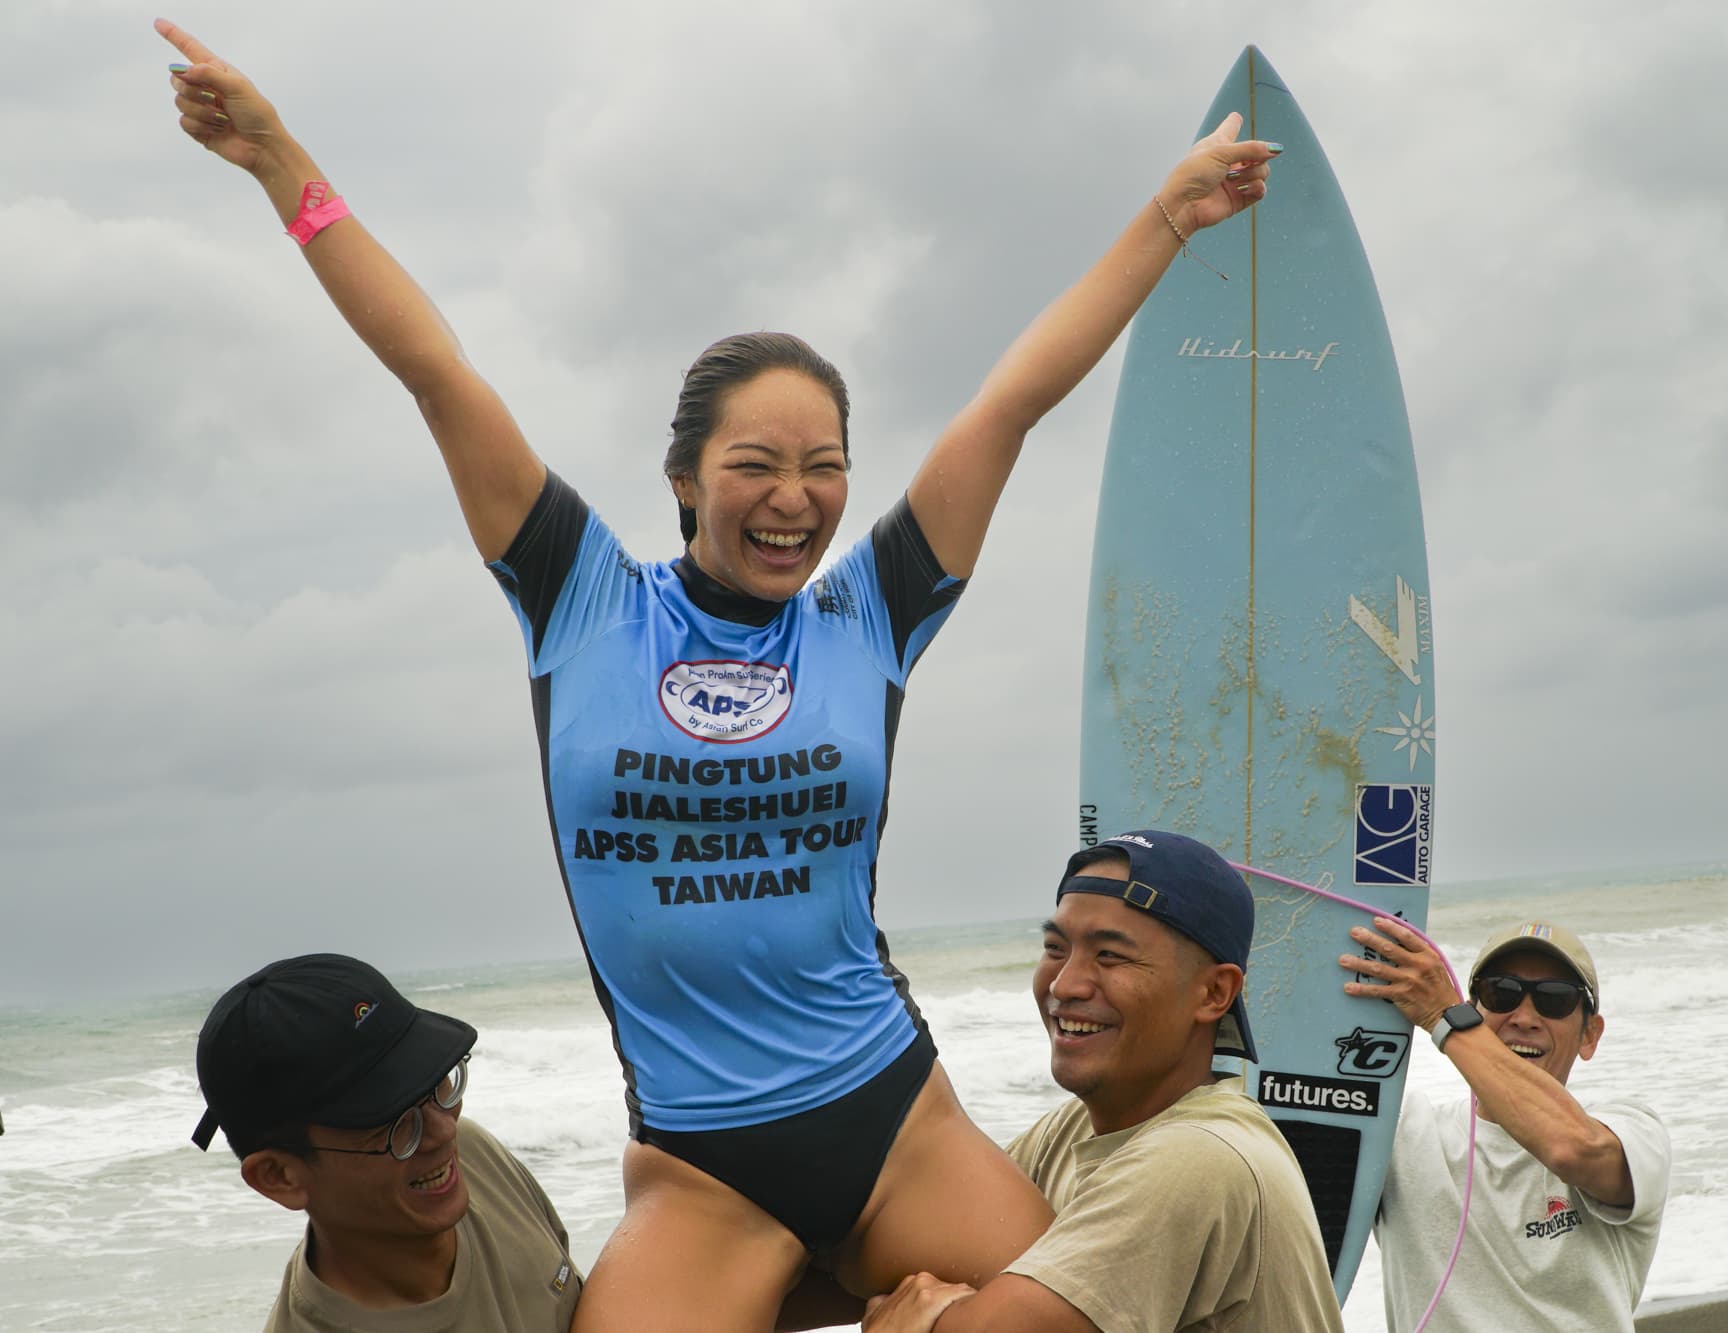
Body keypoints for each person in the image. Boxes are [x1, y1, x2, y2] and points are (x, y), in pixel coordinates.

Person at [155, 20, 1281, 1331]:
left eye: (826, 465)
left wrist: (1167, 215)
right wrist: (279, 162)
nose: (796, 499)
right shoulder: (581, 600)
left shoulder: (871, 613)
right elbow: (431, 366)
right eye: (757, 463)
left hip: (893, 1116)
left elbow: (1011, 402)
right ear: (686, 476)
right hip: (703, 1164)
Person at [862, 831, 1343, 1332]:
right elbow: (906, 1240)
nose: (1065, 984)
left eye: (1110, 956)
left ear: (1213, 992)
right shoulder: (1067, 1133)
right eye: (1055, 947)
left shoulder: (1202, 1156)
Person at [190, 953, 582, 1331]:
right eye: (394, 1121)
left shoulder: (473, 1154)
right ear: (279, 1176)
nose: (444, 1132)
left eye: (438, 1085)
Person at [1340, 917, 1671, 1332]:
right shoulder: (1406, 1131)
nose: (1525, 1017)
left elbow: (1572, 1149)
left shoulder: (1633, 1132)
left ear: (1590, 1034)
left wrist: (1445, 1018)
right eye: (1502, 993)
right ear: (1477, 1008)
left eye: (1554, 999)